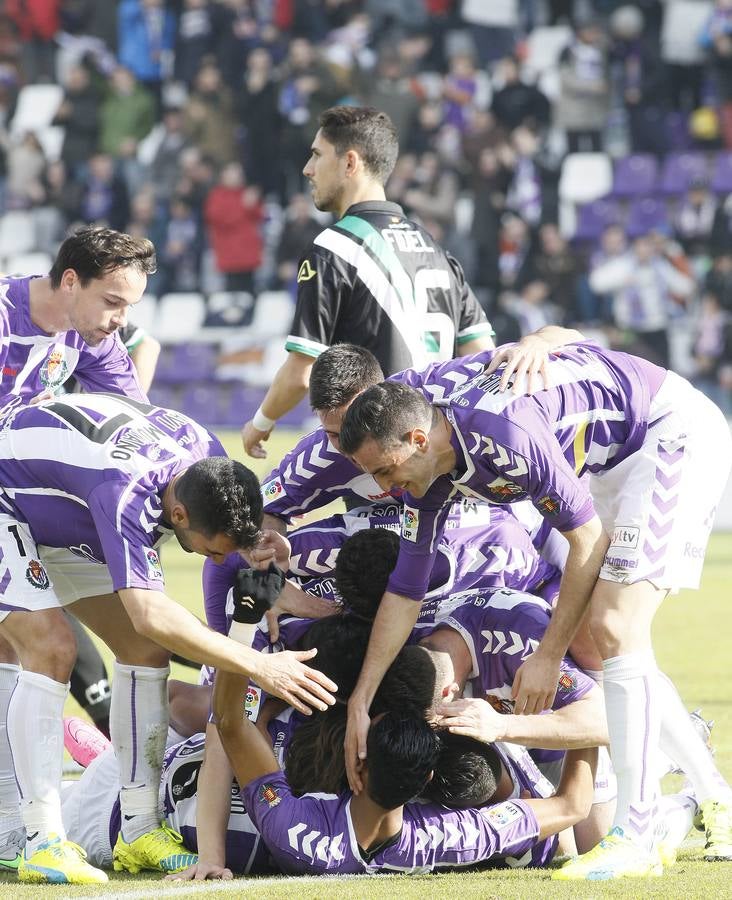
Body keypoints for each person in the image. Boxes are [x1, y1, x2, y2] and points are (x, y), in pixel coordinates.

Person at [339, 340, 732, 878]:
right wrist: (361, 700)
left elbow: (586, 542)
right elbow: (405, 592)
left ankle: (638, 834)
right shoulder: (425, 450)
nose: (382, 489)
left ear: (416, 439)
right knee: (607, 638)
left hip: (672, 434)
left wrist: (548, 655)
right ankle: (718, 801)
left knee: (616, 624)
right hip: (616, 459)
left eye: (384, 471)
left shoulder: (505, 437)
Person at [0, 392, 336, 884]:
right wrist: (260, 666)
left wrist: (267, 572)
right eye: (210, 550)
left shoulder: (209, 467)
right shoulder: (126, 492)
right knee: (52, 647)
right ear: (178, 516)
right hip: (7, 501)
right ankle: (37, 838)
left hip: (56, 511)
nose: (218, 562)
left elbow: (162, 623)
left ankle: (139, 828)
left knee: (145, 655)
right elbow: (149, 614)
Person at [240, 105, 495, 459]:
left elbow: (302, 371)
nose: (307, 169)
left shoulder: (334, 248)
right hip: (438, 451)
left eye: (316, 155)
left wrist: (261, 423)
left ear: (349, 163)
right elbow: (482, 355)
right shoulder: (436, 249)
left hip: (379, 454)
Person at [214, 669, 598, 875]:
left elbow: (230, 723)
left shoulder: (294, 830)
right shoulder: (453, 835)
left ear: (357, 768)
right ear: (427, 781)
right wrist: (588, 707)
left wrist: (251, 642)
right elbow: (571, 806)